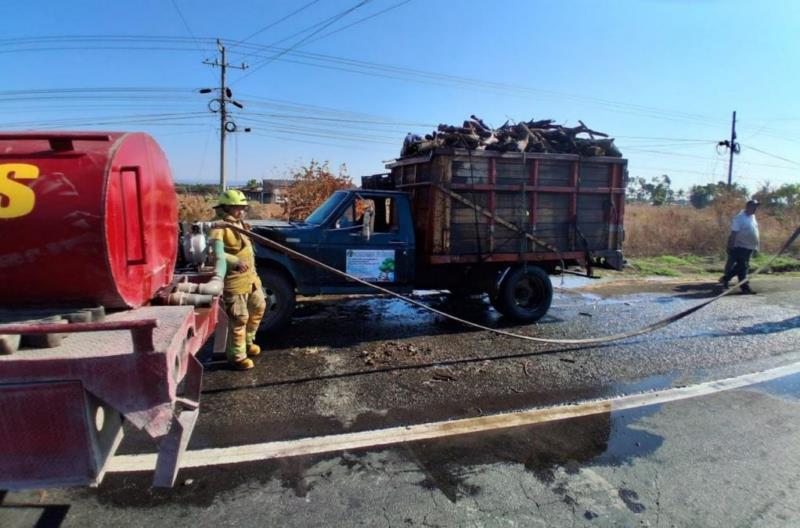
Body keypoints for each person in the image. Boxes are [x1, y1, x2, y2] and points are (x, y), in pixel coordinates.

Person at [209, 189, 267, 370]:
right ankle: (237, 356)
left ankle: (248, 343)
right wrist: (234, 260)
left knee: (259, 307)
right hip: (235, 281)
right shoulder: (219, 228)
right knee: (239, 318)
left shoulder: (240, 224)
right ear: (226, 208)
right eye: (236, 208)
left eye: (243, 208)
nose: (241, 211)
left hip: (251, 278)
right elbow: (214, 254)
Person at [720, 199, 760, 294]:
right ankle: (744, 287)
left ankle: (726, 278)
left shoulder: (752, 217)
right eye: (753, 206)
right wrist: (731, 246)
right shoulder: (739, 218)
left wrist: (757, 246)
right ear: (748, 207)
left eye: (756, 207)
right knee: (743, 267)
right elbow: (734, 233)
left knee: (742, 267)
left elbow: (756, 232)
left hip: (750, 247)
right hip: (740, 246)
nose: (755, 209)